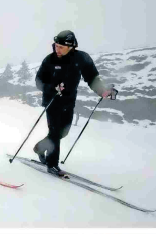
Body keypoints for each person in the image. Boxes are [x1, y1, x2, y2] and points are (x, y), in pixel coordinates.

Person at [33, 30, 116, 177]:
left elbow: (92, 77)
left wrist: (103, 91)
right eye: (56, 46)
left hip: (69, 101)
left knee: (63, 133)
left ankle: (40, 148)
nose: (57, 49)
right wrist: (52, 88)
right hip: (52, 100)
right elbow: (39, 80)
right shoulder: (49, 60)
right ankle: (52, 164)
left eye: (61, 47)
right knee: (55, 133)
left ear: (71, 46)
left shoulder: (82, 58)